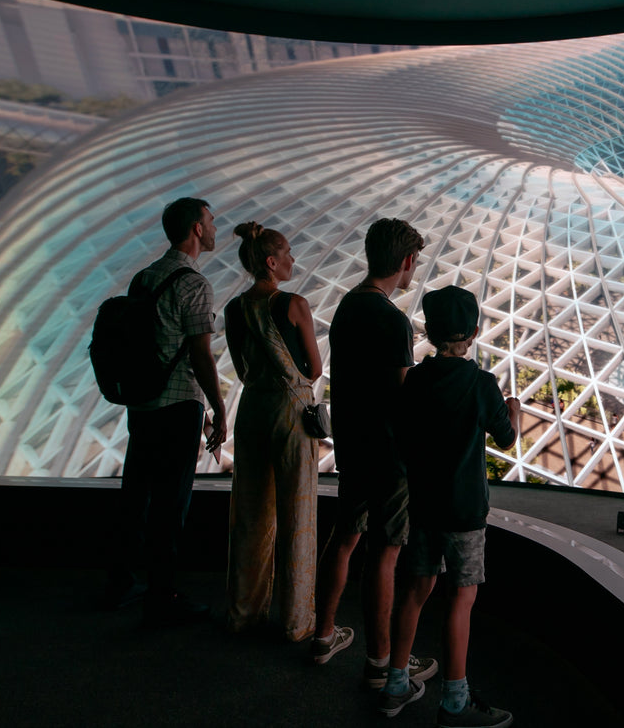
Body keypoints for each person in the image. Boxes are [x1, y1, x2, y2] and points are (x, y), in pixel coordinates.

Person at [379, 285, 520, 725]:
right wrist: (514, 409)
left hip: (423, 507)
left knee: (415, 591)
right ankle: (455, 702)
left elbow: (400, 434)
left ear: (428, 330)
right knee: (462, 598)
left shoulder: (415, 380)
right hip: (464, 513)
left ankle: (395, 683)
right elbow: (506, 437)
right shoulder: (482, 385)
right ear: (474, 333)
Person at [311, 219, 437, 691]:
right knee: (385, 553)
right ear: (405, 262)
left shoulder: (346, 307)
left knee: (344, 536)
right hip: (388, 451)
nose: (414, 270)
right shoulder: (392, 319)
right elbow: (403, 392)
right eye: (415, 262)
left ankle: (323, 634)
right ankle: (381, 662)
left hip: (352, 443)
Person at [105, 197, 227, 625]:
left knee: (135, 494)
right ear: (196, 228)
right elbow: (200, 355)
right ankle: (162, 593)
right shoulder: (194, 284)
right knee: (170, 502)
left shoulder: (144, 277)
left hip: (143, 401)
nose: (215, 229)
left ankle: (120, 582)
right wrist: (218, 406)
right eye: (210, 222)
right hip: (177, 408)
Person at [223, 222, 323, 640]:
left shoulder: (233, 309)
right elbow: (314, 370)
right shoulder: (294, 304)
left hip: (253, 411)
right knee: (297, 515)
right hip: (289, 414)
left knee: (250, 513)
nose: (292, 260)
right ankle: (296, 620)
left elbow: (242, 369)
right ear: (271, 262)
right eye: (287, 255)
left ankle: (245, 612)